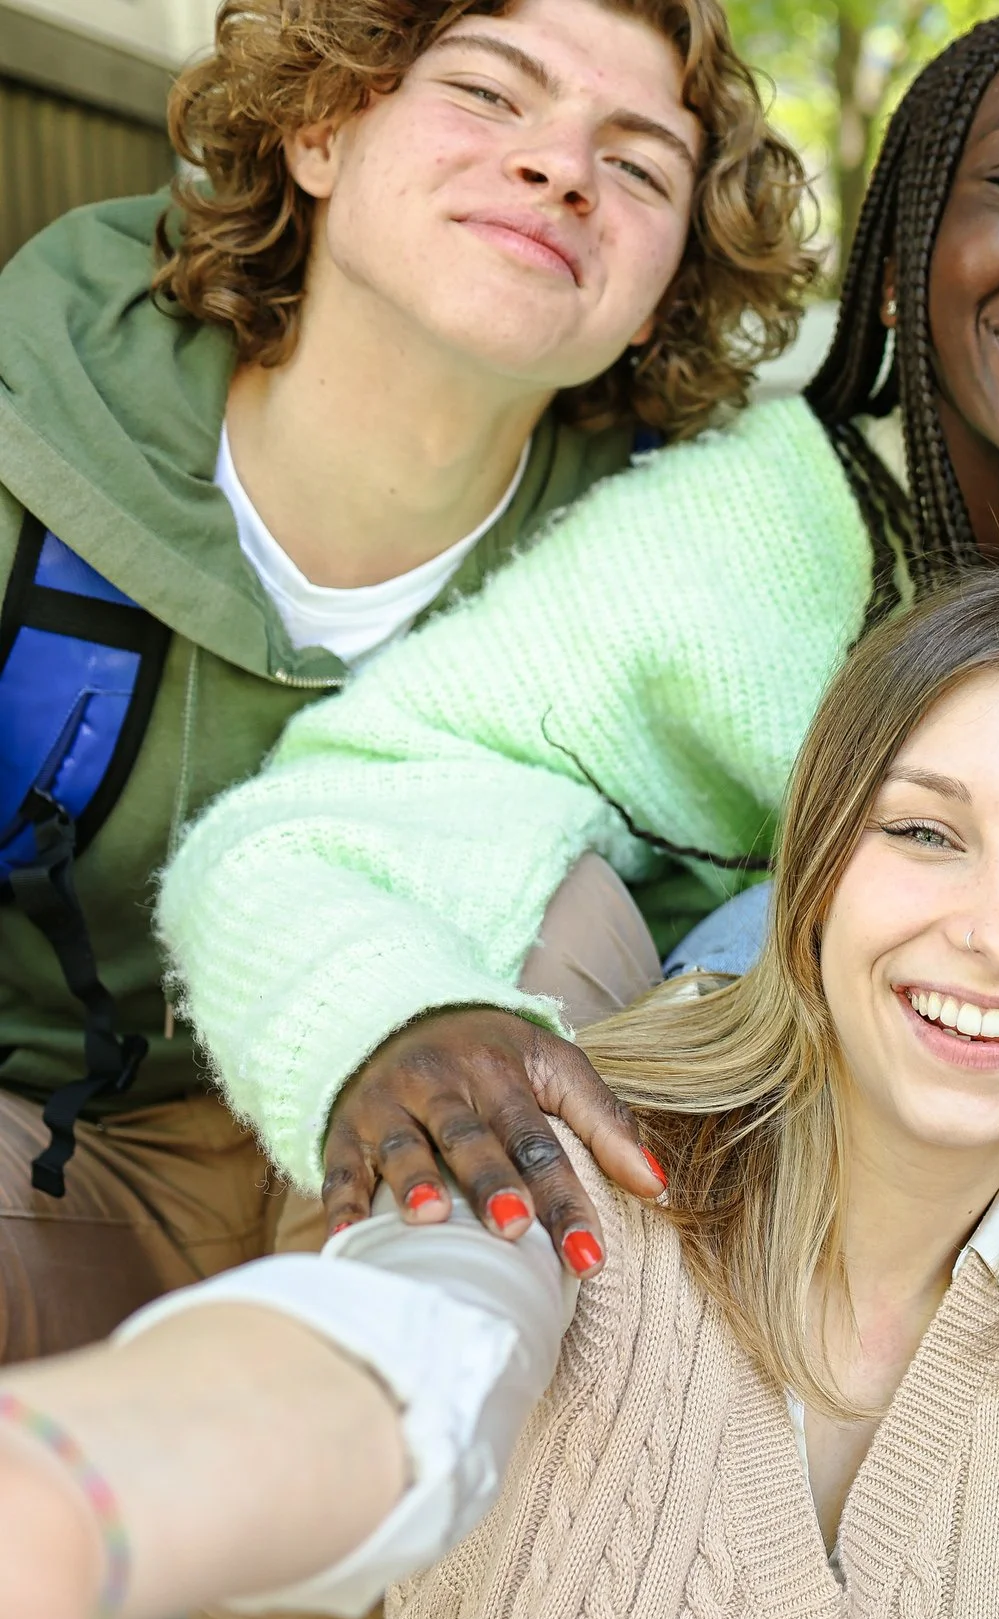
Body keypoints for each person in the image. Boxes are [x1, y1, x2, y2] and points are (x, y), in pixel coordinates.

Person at [155, 2, 999, 1280]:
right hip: (771, 1210)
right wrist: (397, 1015)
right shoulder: (760, 526)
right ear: (893, 258)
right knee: (767, 920)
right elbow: (329, 807)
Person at [0, 569, 999, 1619]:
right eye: (924, 830)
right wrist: (74, 1489)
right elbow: (393, 1364)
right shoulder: (564, 1154)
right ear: (816, 871)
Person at [0, 0, 813, 1362]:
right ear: (320, 129)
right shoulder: (38, 423)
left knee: (562, 890)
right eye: (494, 94)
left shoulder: (680, 571)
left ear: (663, 286)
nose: (564, 168)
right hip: (33, 1153)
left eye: (639, 163)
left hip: (409, 1202)